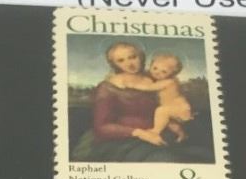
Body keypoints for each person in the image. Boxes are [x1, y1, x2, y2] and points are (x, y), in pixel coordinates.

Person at [72, 42, 200, 162]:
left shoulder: (155, 78)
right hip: (122, 141)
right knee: (163, 159)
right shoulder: (107, 87)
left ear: (141, 57)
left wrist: (174, 121)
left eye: (132, 57)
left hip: (158, 135)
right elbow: (102, 127)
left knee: (193, 157)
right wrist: (141, 133)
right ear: (114, 64)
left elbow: (164, 104)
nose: (129, 64)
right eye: (121, 60)